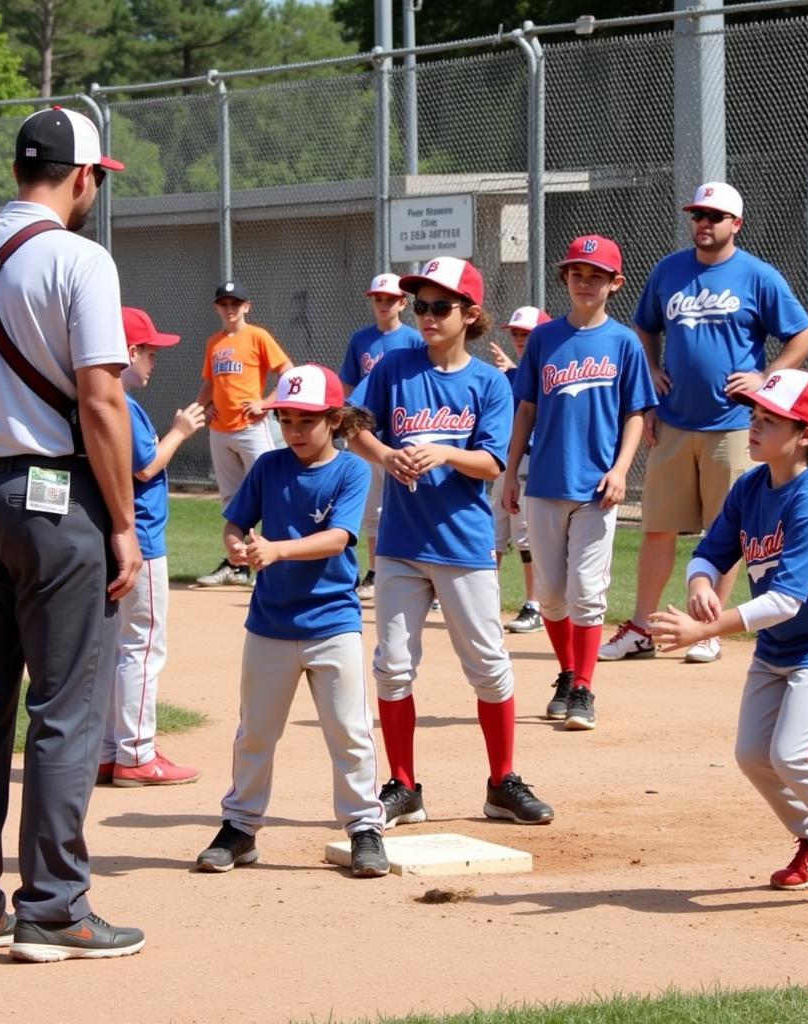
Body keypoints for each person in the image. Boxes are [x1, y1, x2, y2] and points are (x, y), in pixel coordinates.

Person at [0, 106, 145, 962]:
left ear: (20, 170)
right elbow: (102, 400)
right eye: (97, 180)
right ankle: (54, 908)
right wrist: (123, 524)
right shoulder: (82, 259)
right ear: (81, 177)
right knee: (62, 709)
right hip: (56, 502)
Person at [649, 369, 808, 913]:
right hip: (780, 646)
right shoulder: (751, 486)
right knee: (754, 755)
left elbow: (786, 600)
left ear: (806, 434)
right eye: (753, 416)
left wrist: (705, 630)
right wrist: (698, 584)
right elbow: (712, 551)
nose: (753, 426)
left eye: (768, 420)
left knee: (798, 753)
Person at [348, 257, 554, 829]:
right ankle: (404, 786)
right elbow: (351, 421)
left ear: (470, 315)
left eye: (441, 306)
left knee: (488, 667)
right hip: (400, 544)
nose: (428, 316)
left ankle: (501, 782)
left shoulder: (489, 382)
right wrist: (386, 454)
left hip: (463, 544)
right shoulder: (394, 368)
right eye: (422, 306)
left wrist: (440, 451)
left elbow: (492, 462)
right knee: (392, 667)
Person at [600, 182, 808, 666]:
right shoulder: (669, 271)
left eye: (715, 216)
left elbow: (804, 333)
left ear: (735, 224)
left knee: (725, 533)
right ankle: (640, 627)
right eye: (698, 214)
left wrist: (767, 376)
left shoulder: (757, 276)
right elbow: (645, 324)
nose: (703, 223)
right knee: (657, 527)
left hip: (735, 424)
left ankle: (706, 629)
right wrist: (651, 372)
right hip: (674, 422)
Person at [195, 364, 389, 877]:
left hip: (332, 622)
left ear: (336, 419)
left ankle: (365, 827)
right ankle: (240, 828)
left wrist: (277, 549)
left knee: (350, 732)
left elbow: (339, 539)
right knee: (255, 732)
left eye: (307, 419)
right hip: (270, 625)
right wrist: (236, 544)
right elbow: (237, 521)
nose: (295, 430)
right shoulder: (268, 466)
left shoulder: (352, 471)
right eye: (286, 418)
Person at [504, 237, 656, 730]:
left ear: (615, 283)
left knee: (587, 590)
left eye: (596, 275)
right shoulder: (545, 339)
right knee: (550, 593)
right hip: (546, 481)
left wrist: (621, 469)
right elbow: (526, 407)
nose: (585, 282)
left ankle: (586, 687)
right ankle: (568, 673)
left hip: (597, 487)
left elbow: (636, 413)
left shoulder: (624, 342)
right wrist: (510, 472)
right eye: (576, 273)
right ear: (565, 279)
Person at [98, 307, 206, 788]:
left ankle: (107, 750)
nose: (153, 361)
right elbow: (145, 467)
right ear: (126, 351)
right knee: (141, 646)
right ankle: (137, 754)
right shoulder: (123, 403)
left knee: (112, 647)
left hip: (105, 537)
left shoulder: (87, 397)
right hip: (138, 539)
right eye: (148, 351)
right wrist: (180, 432)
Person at [194, 281, 293, 588]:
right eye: (224, 304)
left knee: (270, 491)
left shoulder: (257, 336)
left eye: (235, 303)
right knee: (234, 500)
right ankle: (237, 565)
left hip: (251, 428)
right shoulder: (214, 342)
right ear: (216, 308)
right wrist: (202, 408)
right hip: (220, 431)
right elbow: (211, 383)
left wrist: (267, 403)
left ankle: (276, 560)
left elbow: (287, 370)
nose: (230, 309)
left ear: (247, 306)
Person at [339, 272, 423, 601]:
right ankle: (376, 572)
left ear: (403, 302)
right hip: (367, 435)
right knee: (373, 508)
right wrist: (339, 417)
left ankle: (419, 572)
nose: (384, 304)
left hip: (401, 434)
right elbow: (349, 384)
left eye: (390, 299)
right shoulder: (361, 340)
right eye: (378, 299)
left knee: (408, 505)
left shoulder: (415, 339)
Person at [488, 305, 551, 634]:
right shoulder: (509, 375)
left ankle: (534, 605)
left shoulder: (550, 370)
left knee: (526, 535)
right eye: (515, 333)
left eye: (526, 333)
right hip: (503, 463)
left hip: (531, 462)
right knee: (494, 534)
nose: (520, 339)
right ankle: (486, 603)